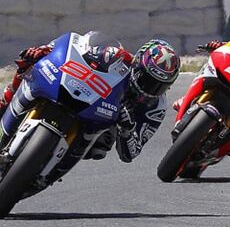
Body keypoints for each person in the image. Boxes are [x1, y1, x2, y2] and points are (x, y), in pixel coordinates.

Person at [0, 32, 180, 163]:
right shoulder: (117, 56)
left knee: (101, 146)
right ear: (137, 64)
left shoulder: (156, 108)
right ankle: (7, 103)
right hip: (83, 94)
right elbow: (75, 47)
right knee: (31, 65)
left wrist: (126, 129)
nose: (150, 89)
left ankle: (53, 163)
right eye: (146, 79)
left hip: (99, 125)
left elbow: (131, 154)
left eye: (159, 86)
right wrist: (44, 51)